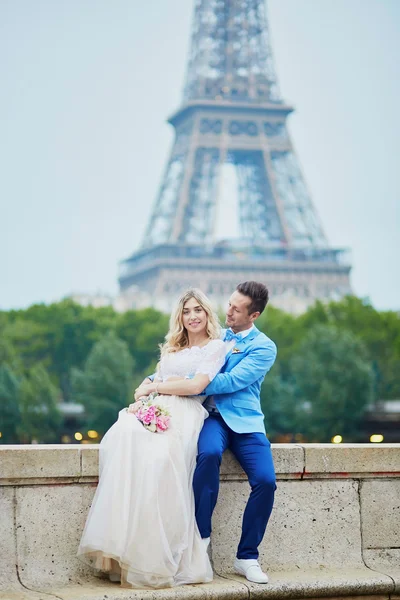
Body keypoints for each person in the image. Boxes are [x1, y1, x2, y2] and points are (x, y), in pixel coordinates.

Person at [77, 289, 227, 589]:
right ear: (179, 317)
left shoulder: (216, 347)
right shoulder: (172, 348)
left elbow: (197, 385)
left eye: (198, 310)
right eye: (186, 311)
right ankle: (125, 553)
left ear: (208, 314)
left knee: (158, 462)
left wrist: (155, 386)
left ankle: (158, 559)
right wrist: (144, 394)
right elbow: (149, 380)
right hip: (158, 407)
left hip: (185, 413)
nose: (193, 316)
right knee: (123, 435)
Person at [137, 281, 277, 584]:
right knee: (209, 454)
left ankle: (247, 556)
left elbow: (230, 382)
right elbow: (177, 360)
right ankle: (201, 539)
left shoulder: (264, 347)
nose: (228, 311)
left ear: (253, 315)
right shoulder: (216, 335)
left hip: (245, 422)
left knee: (266, 481)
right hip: (211, 418)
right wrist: (151, 381)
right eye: (229, 304)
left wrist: (189, 384)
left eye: (236, 309)